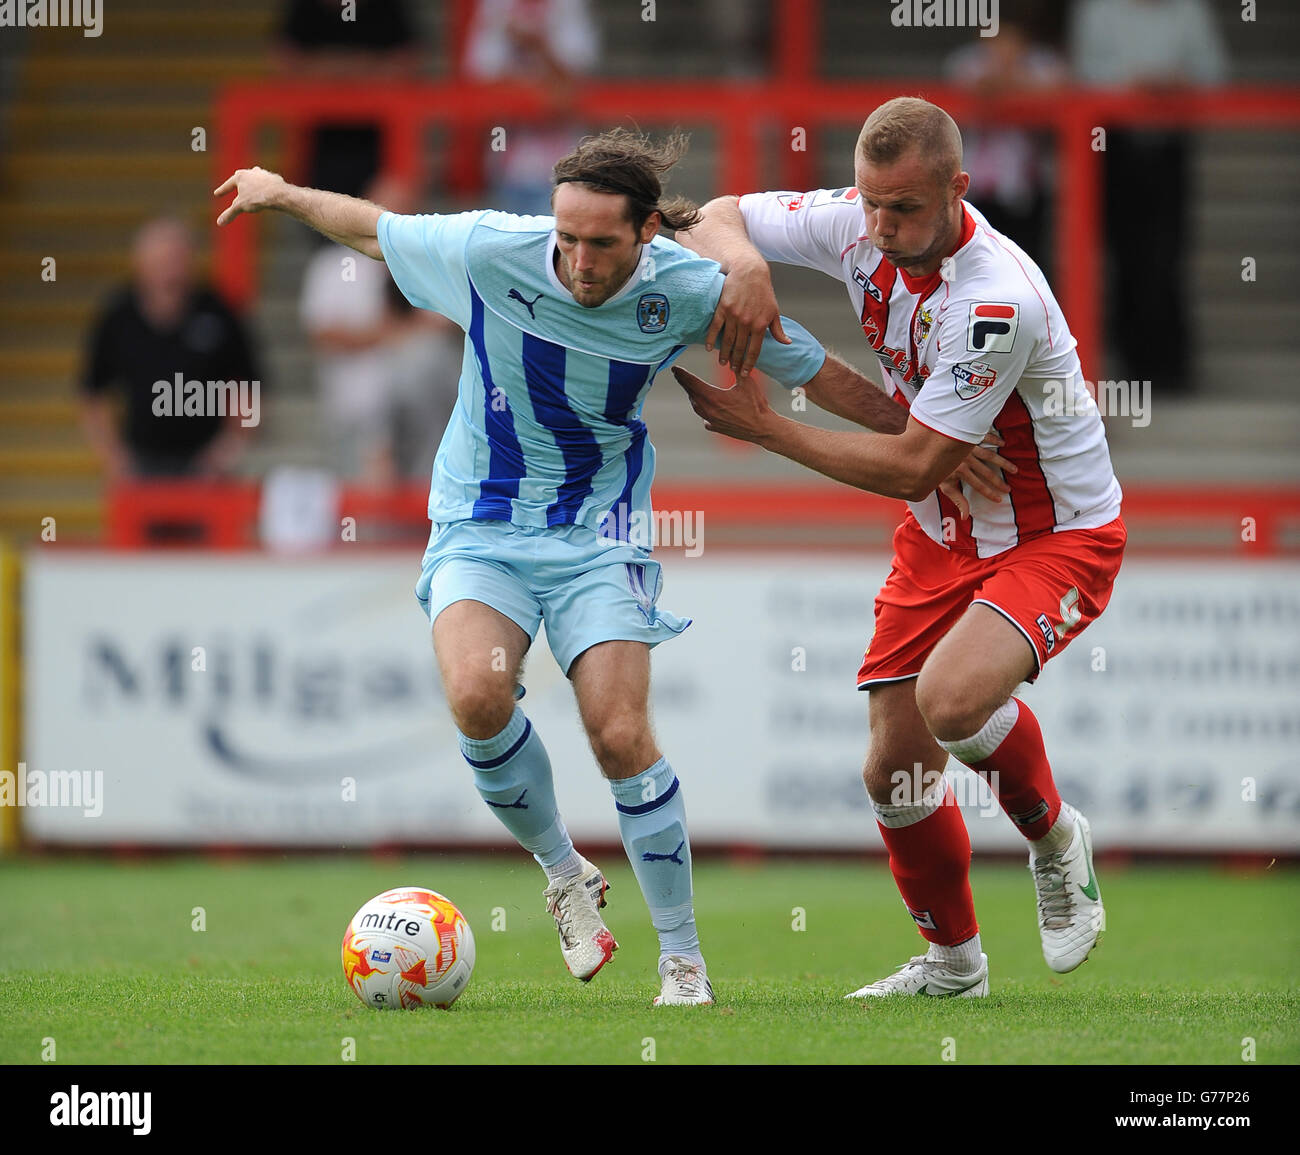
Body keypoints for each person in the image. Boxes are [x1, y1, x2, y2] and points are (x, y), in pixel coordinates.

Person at [215, 130, 1009, 1004]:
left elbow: (811, 372)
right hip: (481, 524)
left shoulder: (693, 290)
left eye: (601, 243)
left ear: (645, 237)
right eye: (567, 238)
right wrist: (282, 190)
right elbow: (377, 229)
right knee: (479, 698)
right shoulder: (489, 252)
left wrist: (927, 434)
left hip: (601, 533)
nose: (580, 261)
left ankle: (683, 962)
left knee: (619, 732)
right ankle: (564, 874)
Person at [676, 96, 1126, 997]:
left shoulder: (993, 298)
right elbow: (706, 216)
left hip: (1054, 535)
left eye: (905, 209)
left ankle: (1053, 836)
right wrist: (745, 265)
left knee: (953, 701)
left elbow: (916, 464)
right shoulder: (859, 219)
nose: (880, 227)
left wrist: (769, 431)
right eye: (871, 203)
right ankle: (955, 964)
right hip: (943, 530)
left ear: (959, 189)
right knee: (893, 770)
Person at [1070, 0, 1229, 394]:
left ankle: (1170, 363)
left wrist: (1177, 85)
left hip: (1170, 145)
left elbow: (1214, 71)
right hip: (1115, 146)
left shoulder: (1190, 10)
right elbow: (1083, 73)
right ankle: (1133, 358)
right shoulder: (1098, 11)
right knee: (1126, 252)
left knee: (1167, 251)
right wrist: (1131, 86)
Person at [300, 174, 462, 481]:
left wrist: (399, 333)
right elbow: (324, 333)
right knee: (367, 504)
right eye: (384, 211)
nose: (392, 221)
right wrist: (395, 333)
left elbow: (448, 326)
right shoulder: (333, 266)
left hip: (421, 416)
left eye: (403, 213)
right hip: (358, 404)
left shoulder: (428, 266)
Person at [82, 216, 259, 480]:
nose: (170, 272)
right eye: (161, 262)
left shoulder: (218, 312)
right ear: (140, 264)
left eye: (177, 260)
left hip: (207, 467)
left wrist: (228, 449)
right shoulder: (118, 317)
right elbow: (93, 392)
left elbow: (249, 388)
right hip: (141, 465)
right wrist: (114, 457)